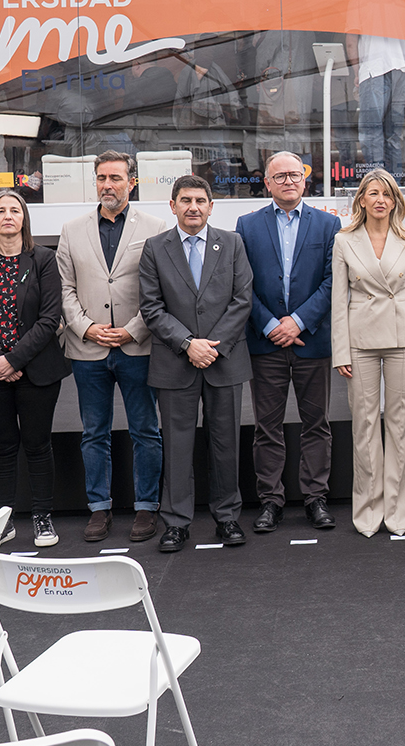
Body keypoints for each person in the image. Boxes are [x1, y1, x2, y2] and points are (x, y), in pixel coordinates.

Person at [56, 151, 168, 544]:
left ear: (131, 183)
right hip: (88, 350)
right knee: (94, 432)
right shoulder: (72, 230)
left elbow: (160, 289)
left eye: (116, 178)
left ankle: (146, 507)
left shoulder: (155, 228)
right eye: (102, 178)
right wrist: (86, 329)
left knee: (145, 430)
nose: (108, 185)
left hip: (138, 347)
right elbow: (65, 289)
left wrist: (133, 330)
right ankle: (99, 508)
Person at [140, 174, 254, 552]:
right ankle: (176, 523)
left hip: (224, 360)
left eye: (200, 200)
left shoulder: (233, 243)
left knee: (225, 444)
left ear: (210, 206)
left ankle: (228, 517)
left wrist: (213, 348)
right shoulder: (156, 248)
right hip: (176, 362)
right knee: (177, 445)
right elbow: (151, 308)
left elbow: (242, 300)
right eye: (185, 200)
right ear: (172, 206)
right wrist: (188, 344)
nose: (193, 207)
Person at [0, 190, 71, 547]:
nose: (8, 215)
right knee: (1, 446)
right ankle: (1, 522)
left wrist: (15, 359)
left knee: (38, 445)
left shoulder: (43, 260)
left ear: (24, 219)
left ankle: (42, 518)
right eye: (1, 210)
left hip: (36, 370)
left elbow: (50, 316)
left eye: (15, 210)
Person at [237, 151, 339, 534]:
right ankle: (271, 501)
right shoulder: (246, 226)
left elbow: (332, 282)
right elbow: (241, 283)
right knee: (268, 427)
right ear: (267, 183)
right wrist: (269, 325)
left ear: (305, 179)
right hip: (266, 344)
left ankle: (315, 499)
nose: (288, 182)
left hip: (310, 341)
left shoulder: (329, 225)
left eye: (294, 175)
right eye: (279, 177)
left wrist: (297, 322)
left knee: (317, 424)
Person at [332, 169, 405, 536]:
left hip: (404, 338)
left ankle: (398, 510)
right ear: (361, 199)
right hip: (359, 342)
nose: (379, 200)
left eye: (386, 194)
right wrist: (341, 351)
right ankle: (369, 510)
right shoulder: (343, 241)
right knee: (365, 426)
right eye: (372, 193)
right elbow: (338, 302)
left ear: (395, 201)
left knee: (400, 426)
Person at [345, 0, 405, 176]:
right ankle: (394, 181)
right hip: (402, 68)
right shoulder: (401, 2)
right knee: (393, 131)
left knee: (372, 129)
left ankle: (377, 180)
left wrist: (356, 72)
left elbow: (351, 41)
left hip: (374, 67)